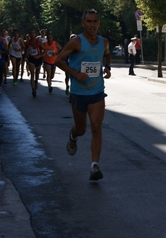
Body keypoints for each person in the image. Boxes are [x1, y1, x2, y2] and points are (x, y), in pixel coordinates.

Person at [55, 9, 111, 181]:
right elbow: (58, 60)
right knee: (81, 129)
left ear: (98, 23)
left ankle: (94, 165)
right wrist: (75, 74)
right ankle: (73, 136)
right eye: (89, 21)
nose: (92, 25)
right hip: (79, 93)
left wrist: (107, 67)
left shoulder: (104, 42)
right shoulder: (76, 42)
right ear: (83, 23)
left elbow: (107, 55)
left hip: (97, 92)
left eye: (95, 21)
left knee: (96, 127)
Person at [25, 29, 45, 97]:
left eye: (33, 33)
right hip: (31, 59)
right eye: (31, 33)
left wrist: (39, 55)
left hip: (38, 59)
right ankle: (33, 89)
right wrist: (27, 55)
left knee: (37, 75)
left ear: (35, 34)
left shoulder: (39, 42)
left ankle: (36, 81)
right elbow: (26, 52)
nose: (32, 34)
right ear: (29, 35)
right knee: (32, 74)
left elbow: (45, 51)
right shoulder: (27, 43)